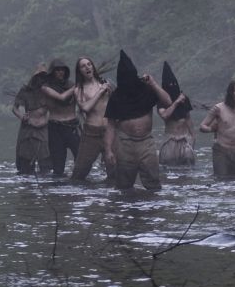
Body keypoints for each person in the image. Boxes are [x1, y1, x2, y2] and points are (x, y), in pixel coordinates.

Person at [104, 50, 174, 191]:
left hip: (146, 143)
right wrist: (108, 150)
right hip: (125, 143)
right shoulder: (116, 97)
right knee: (123, 186)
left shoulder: (146, 90)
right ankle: (125, 210)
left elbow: (167, 102)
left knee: (153, 183)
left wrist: (153, 83)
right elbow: (110, 126)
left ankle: (152, 209)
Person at [70, 56, 113, 182]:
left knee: (114, 171)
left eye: (89, 64)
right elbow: (85, 107)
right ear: (80, 71)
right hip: (91, 133)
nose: (87, 67)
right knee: (79, 173)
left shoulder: (105, 84)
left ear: (93, 67)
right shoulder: (79, 89)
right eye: (83, 66)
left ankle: (111, 197)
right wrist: (100, 92)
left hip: (108, 131)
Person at [201, 80, 235, 177]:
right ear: (230, 92)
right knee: (222, 182)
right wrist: (211, 129)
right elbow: (202, 126)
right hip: (221, 151)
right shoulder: (218, 108)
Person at [40, 58, 79, 176]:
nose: (60, 72)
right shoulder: (45, 87)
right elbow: (61, 98)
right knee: (58, 165)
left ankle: (79, 184)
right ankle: (58, 190)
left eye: (62, 70)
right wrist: (77, 85)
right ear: (52, 72)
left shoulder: (72, 85)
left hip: (72, 126)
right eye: (57, 70)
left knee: (81, 158)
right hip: (55, 127)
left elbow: (82, 104)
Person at [10, 63, 50, 174]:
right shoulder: (25, 90)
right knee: (25, 162)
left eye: (43, 77)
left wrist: (46, 120)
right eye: (38, 76)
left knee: (45, 161)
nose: (40, 79)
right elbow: (15, 108)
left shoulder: (49, 90)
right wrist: (22, 117)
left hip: (44, 128)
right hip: (28, 127)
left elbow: (53, 108)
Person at [157, 61, 196, 168]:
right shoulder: (161, 101)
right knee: (168, 170)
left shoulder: (184, 99)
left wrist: (192, 140)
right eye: (169, 85)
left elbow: (188, 119)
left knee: (188, 171)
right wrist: (176, 102)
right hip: (169, 140)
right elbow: (164, 115)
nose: (172, 86)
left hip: (185, 141)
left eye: (174, 84)